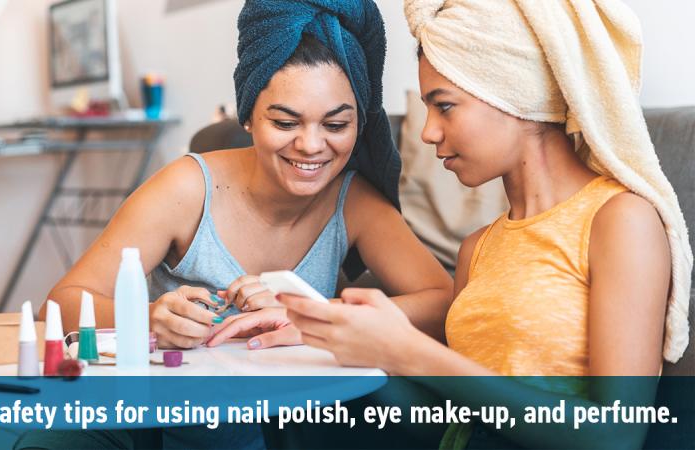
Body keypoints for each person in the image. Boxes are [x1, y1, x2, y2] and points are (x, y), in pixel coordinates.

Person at [221, 0, 694, 448]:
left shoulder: (619, 220)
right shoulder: (478, 249)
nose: (427, 131)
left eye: (444, 105)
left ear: (513, 93)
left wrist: (412, 353)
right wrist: (337, 340)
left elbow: (617, 434)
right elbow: (454, 427)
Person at [19, 1, 453, 449]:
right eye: (285, 122)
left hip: (258, 434)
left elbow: (442, 302)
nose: (311, 146)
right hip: (141, 424)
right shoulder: (187, 189)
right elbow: (62, 301)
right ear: (247, 116)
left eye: (336, 124)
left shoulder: (353, 201)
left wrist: (316, 316)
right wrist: (147, 319)